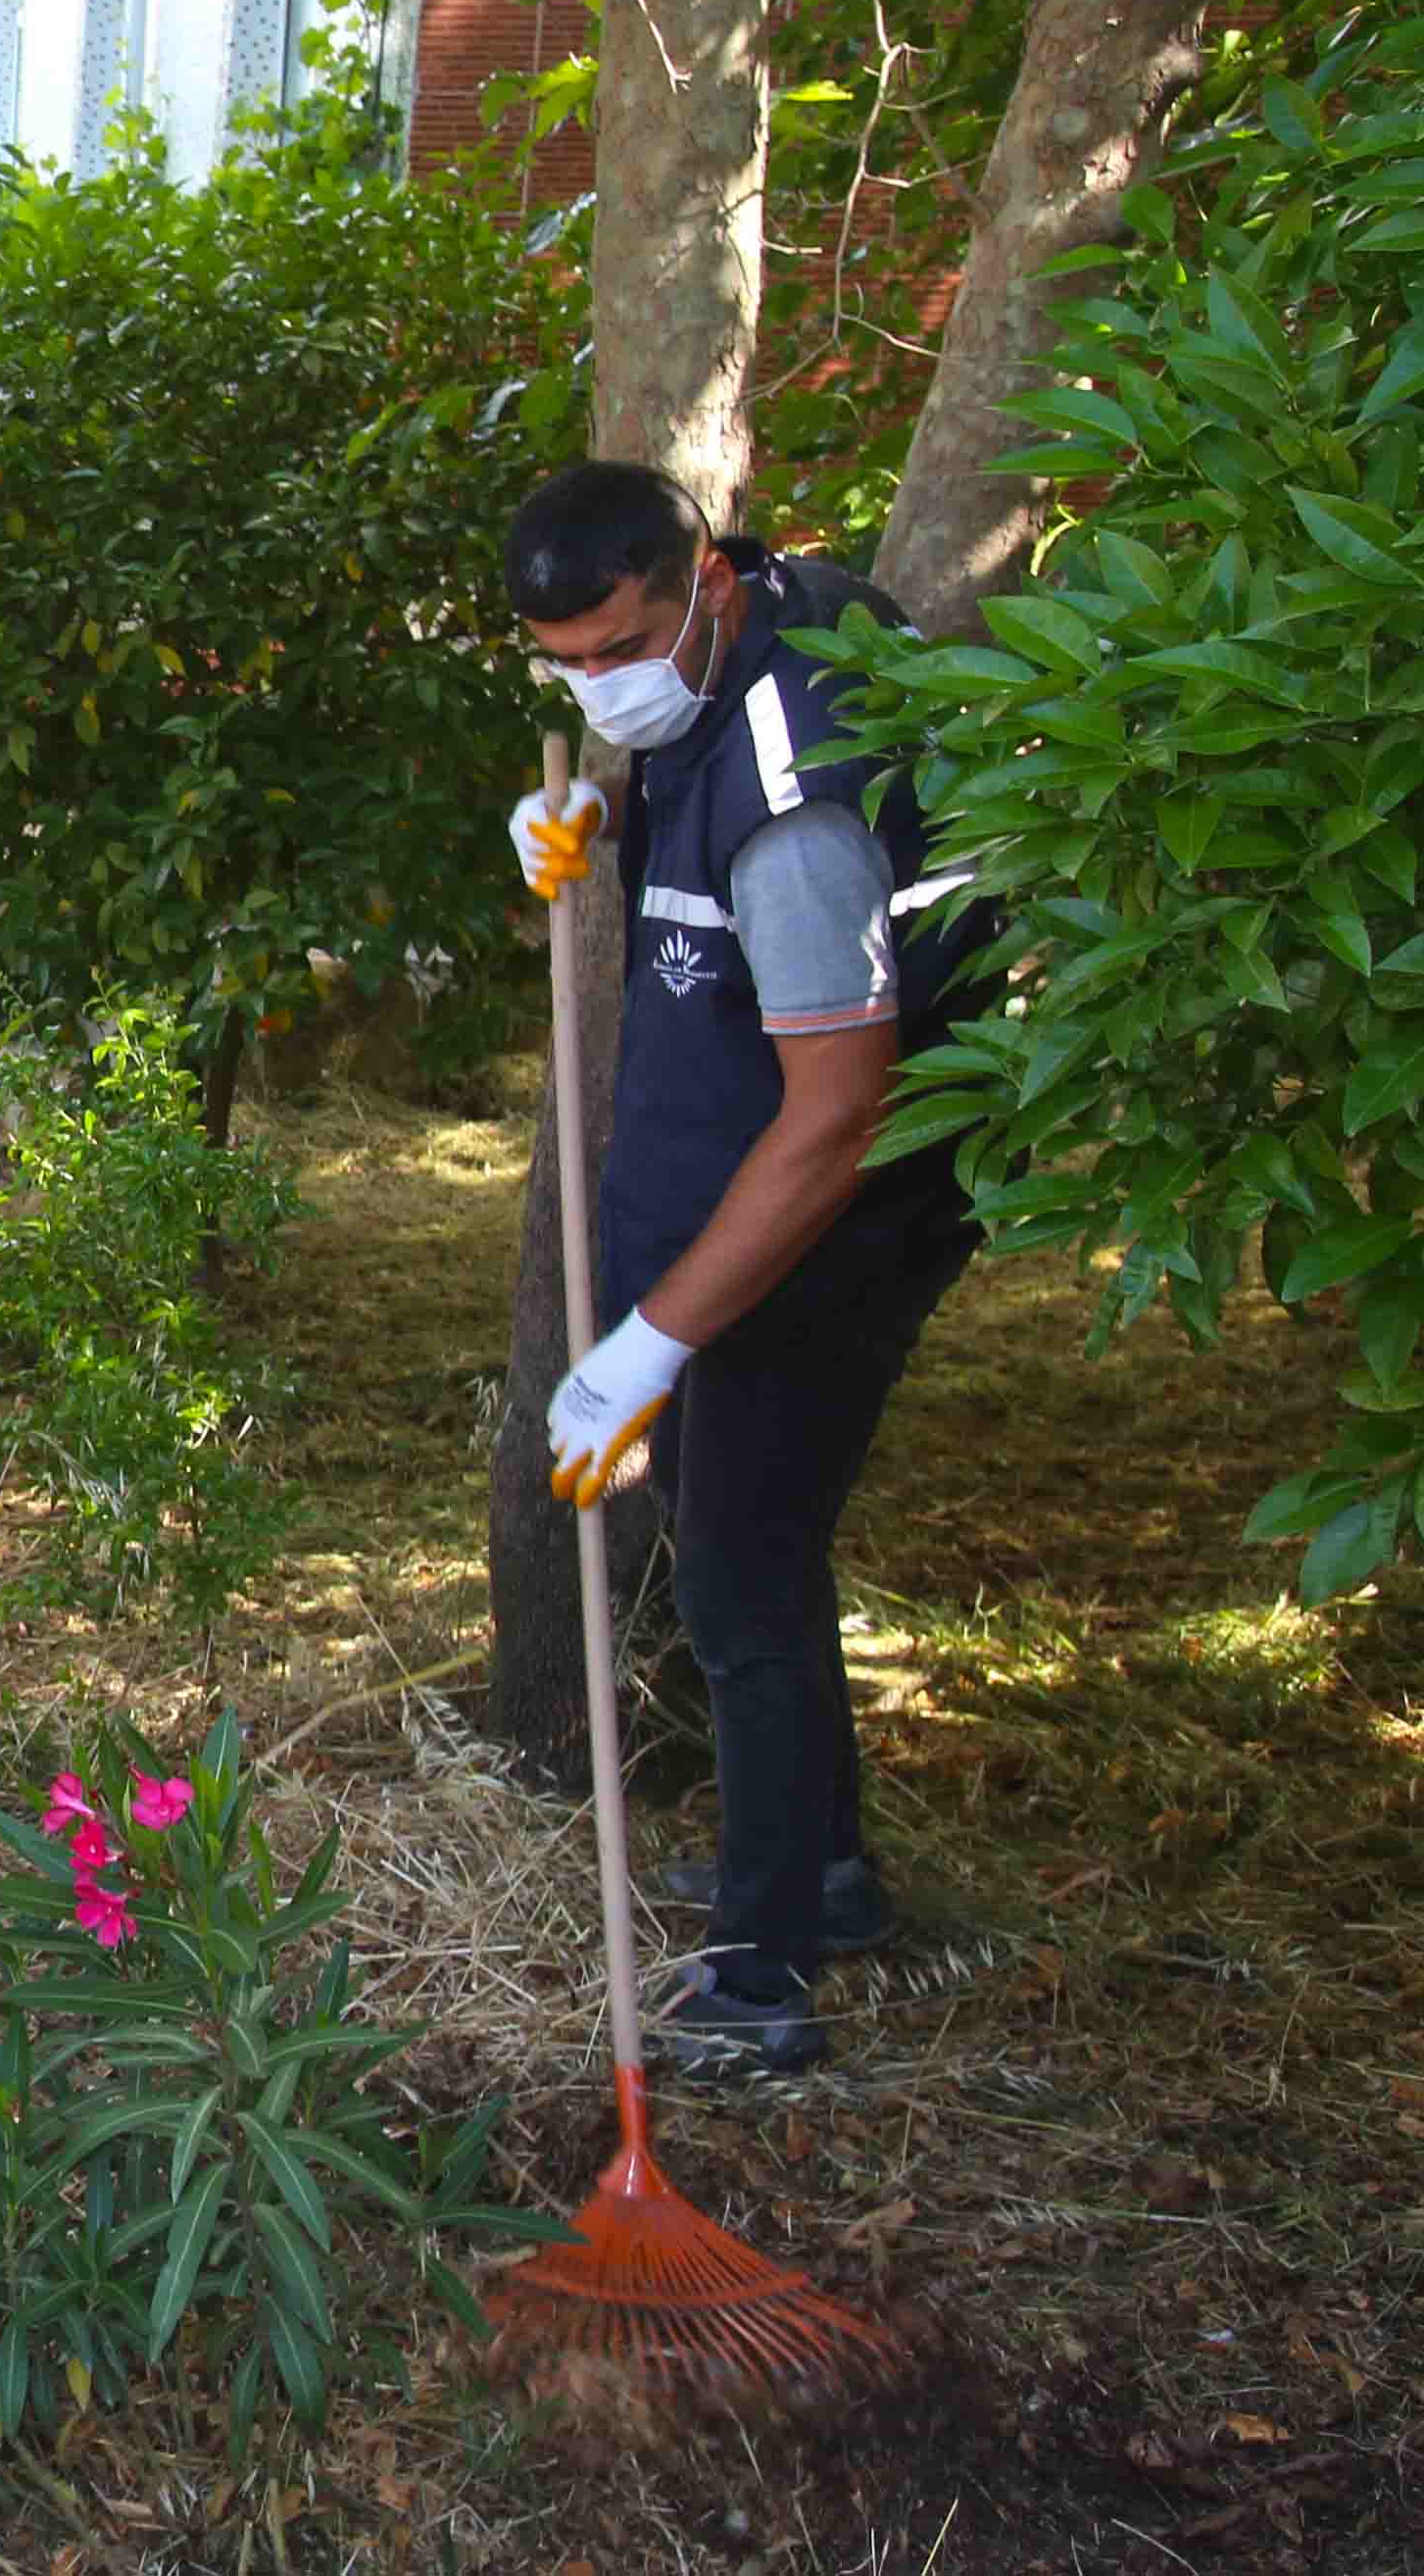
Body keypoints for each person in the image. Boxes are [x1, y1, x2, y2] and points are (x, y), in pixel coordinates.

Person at [503, 460, 992, 2074]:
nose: (594, 686)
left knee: (731, 1578)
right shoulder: (745, 641)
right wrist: (591, 814)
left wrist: (646, 1340)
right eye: (559, 666)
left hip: (824, 1230)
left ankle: (760, 1963)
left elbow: (834, 1113)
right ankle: (825, 1871)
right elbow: (674, 758)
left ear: (699, 577)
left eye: (614, 649)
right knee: (762, 1542)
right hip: (737, 1198)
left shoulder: (797, 813)